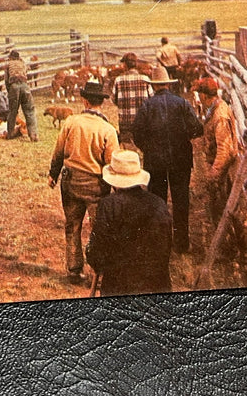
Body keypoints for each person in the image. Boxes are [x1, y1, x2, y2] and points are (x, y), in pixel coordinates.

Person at [48, 81, 120, 282]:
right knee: (99, 228)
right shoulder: (108, 130)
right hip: (96, 185)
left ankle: (73, 269)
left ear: (84, 100)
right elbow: (112, 163)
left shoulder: (71, 122)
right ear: (102, 103)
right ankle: (99, 271)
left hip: (70, 181)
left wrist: (53, 175)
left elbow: (59, 152)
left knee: (72, 225)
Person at [132, 66, 204, 253]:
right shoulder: (181, 103)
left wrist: (148, 148)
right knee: (181, 200)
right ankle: (181, 244)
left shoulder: (147, 105)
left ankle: (159, 243)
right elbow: (197, 128)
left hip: (155, 162)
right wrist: (183, 137)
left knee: (157, 201)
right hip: (181, 160)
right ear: (167, 84)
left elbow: (137, 133)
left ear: (153, 86)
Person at [86, 150, 172, 296]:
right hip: (157, 283)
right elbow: (166, 245)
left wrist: (94, 260)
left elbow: (98, 248)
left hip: (119, 286)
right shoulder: (159, 203)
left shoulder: (109, 205)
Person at [195, 77, 239, 223]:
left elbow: (224, 150)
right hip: (220, 169)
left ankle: (229, 241)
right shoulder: (213, 109)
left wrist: (213, 175)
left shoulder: (219, 115)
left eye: (199, 93)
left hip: (224, 171)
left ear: (204, 95)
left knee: (223, 210)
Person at [111, 52, 153, 143]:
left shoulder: (118, 80)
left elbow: (114, 99)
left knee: (128, 150)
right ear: (136, 64)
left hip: (126, 123)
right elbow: (152, 99)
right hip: (143, 122)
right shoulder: (145, 79)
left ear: (125, 65)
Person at [4, 50, 39, 141]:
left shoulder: (8, 64)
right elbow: (26, 75)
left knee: (12, 111)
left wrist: (10, 92)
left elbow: (6, 80)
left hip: (14, 87)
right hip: (25, 86)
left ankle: (10, 133)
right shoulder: (22, 63)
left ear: (11, 57)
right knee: (29, 111)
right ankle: (33, 135)